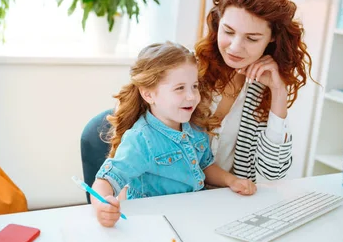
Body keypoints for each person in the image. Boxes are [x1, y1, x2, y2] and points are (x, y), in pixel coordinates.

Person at [91, 41, 256, 227]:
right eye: (180, 88)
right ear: (149, 95)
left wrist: (231, 180)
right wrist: (102, 206)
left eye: (194, 86)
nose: (192, 96)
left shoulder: (193, 126)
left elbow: (205, 165)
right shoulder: (141, 140)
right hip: (153, 224)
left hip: (190, 217)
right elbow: (104, 182)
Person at [195, 0, 313, 183]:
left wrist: (278, 92)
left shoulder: (261, 88)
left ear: (272, 38)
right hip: (175, 198)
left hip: (227, 202)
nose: (235, 48)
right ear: (217, 23)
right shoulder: (191, 72)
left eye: (252, 38)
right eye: (228, 32)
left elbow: (272, 173)